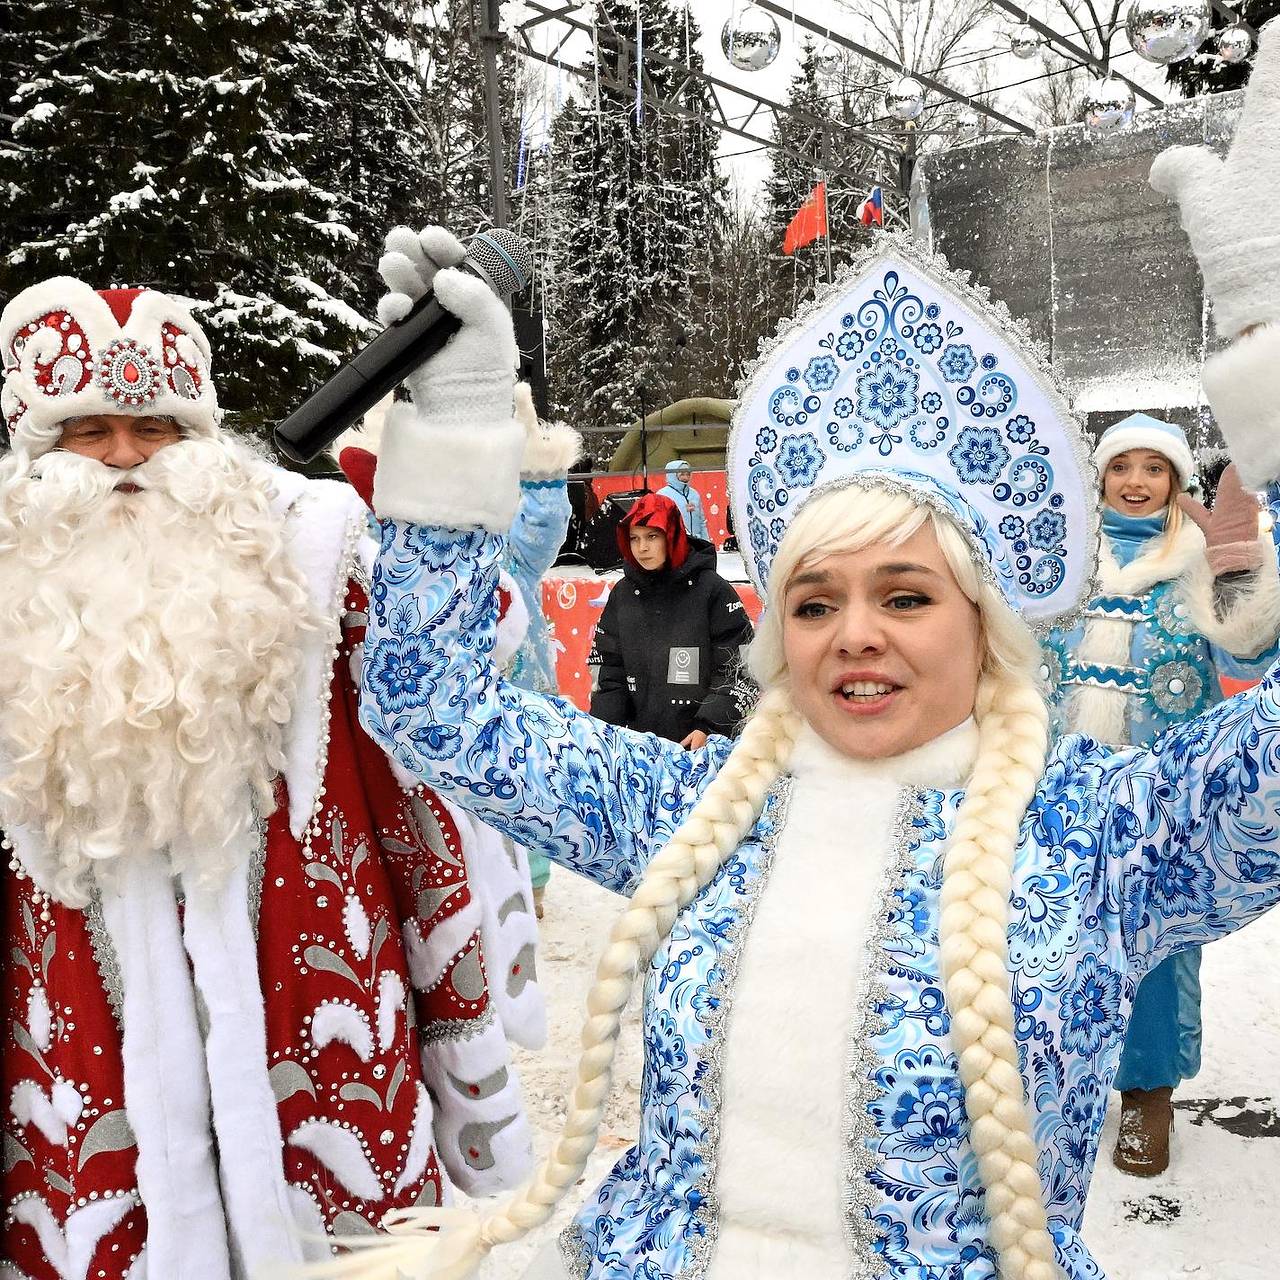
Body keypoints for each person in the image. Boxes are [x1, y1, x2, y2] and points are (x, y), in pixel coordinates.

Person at [341, 32, 1280, 1280]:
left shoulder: (1106, 836)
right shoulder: (694, 809)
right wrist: (458, 432)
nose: (854, 632)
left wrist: (1269, 377)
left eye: (906, 594)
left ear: (986, 624)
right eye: (814, 599)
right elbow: (435, 704)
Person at [0, 276, 542, 1277]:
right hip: (80, 1089)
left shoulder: (310, 564)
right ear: (35, 452)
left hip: (324, 1053)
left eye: (155, 428)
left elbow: (448, 680)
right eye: (89, 431)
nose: (125, 458)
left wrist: (454, 443)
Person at [1043, 412, 1280, 1176]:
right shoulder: (1063, 564)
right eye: (1122, 467)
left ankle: (1148, 1092)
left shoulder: (1204, 560)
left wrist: (1251, 579)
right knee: (1056, 940)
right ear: (1101, 478)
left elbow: (1250, 654)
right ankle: (1061, 1077)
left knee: (1154, 951)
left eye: (1154, 468)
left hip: (1163, 799)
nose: (1136, 482)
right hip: (1060, 794)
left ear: (1176, 482)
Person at [588, 491, 754, 748]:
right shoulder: (623, 594)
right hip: (638, 748)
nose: (642, 548)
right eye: (634, 538)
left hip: (702, 746)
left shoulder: (713, 591)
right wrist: (604, 734)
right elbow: (609, 672)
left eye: (652, 536)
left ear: (672, 535)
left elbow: (738, 668)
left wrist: (709, 727)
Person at [657, 457, 710, 541]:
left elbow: (702, 521)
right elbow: (659, 523)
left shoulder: (694, 494)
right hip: (675, 542)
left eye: (688, 474)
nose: (685, 477)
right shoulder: (662, 495)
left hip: (697, 541)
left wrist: (706, 541)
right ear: (673, 475)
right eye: (682, 474)